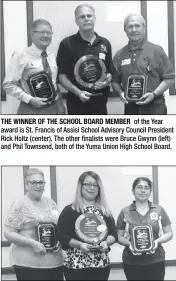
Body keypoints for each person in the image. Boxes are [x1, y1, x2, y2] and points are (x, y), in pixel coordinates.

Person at [4, 168, 64, 280]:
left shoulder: (51, 203)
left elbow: (58, 227)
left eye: (41, 182)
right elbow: (8, 233)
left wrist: (60, 241)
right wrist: (32, 243)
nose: (38, 186)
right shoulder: (20, 204)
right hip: (28, 264)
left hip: (54, 262)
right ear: (26, 185)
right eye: (34, 182)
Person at [57, 171, 117, 280]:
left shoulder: (105, 211)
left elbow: (114, 234)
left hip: (100, 264)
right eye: (88, 184)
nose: (92, 188)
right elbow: (61, 235)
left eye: (95, 185)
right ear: (80, 186)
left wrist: (106, 243)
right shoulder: (70, 210)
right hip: (75, 264)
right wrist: (79, 245)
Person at [112, 13, 175, 115]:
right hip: (130, 109)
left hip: (155, 108)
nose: (134, 30)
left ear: (144, 28)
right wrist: (120, 93)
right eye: (130, 26)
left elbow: (170, 78)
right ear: (125, 30)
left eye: (137, 26)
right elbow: (114, 81)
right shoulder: (119, 55)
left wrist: (154, 94)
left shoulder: (157, 51)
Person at [56, 4, 113, 115]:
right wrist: (78, 92)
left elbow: (109, 72)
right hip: (76, 101)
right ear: (76, 21)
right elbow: (61, 76)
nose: (86, 19)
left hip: (100, 102)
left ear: (94, 18)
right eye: (82, 17)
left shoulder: (105, 43)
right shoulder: (66, 44)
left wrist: (106, 82)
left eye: (89, 16)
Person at [3, 19, 65, 115]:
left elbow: (54, 84)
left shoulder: (51, 56)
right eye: (41, 32)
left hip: (53, 109)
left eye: (49, 32)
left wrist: (60, 107)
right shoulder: (20, 56)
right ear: (32, 35)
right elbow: (8, 85)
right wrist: (30, 100)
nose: (45, 35)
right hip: (30, 110)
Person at [116, 177, 173, 280]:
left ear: (150, 191)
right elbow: (118, 236)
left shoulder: (159, 209)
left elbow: (169, 233)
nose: (143, 190)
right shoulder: (125, 211)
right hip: (131, 260)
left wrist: (157, 242)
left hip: (156, 259)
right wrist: (130, 244)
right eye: (139, 187)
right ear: (133, 191)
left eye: (146, 188)